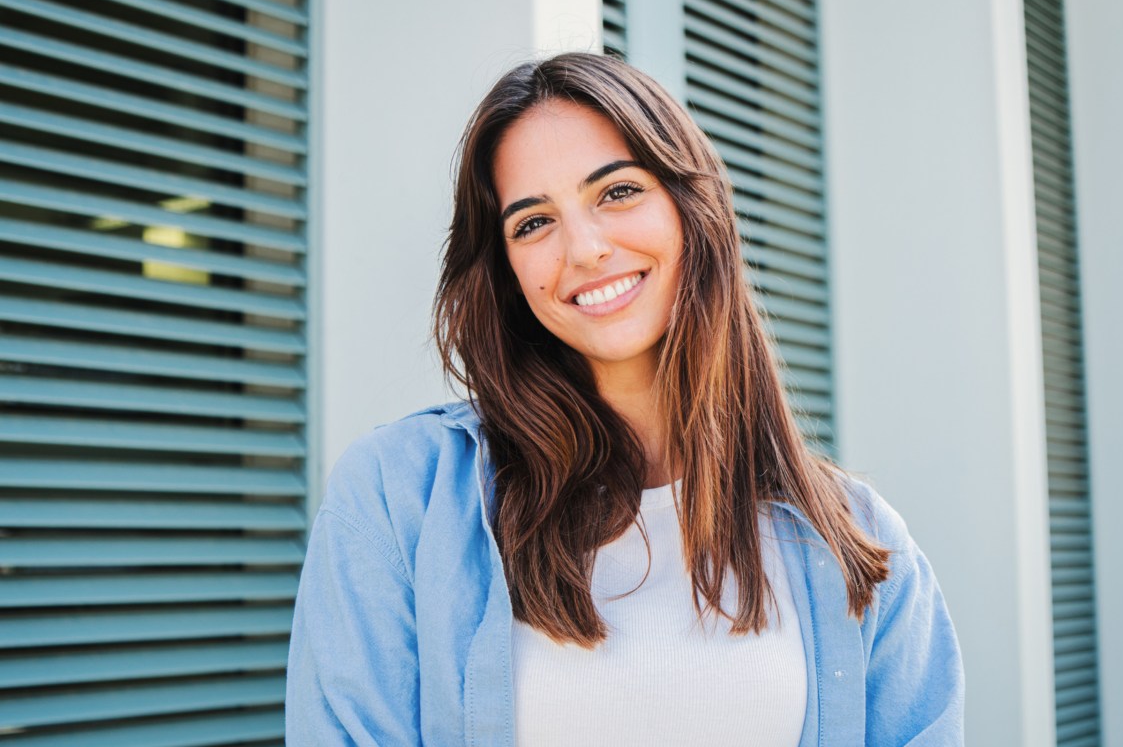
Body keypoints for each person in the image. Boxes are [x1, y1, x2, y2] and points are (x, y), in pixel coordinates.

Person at [285, 52, 964, 746]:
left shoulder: (859, 541)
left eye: (616, 192)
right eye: (532, 223)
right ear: (507, 271)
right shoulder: (396, 498)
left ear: (690, 207)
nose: (583, 249)